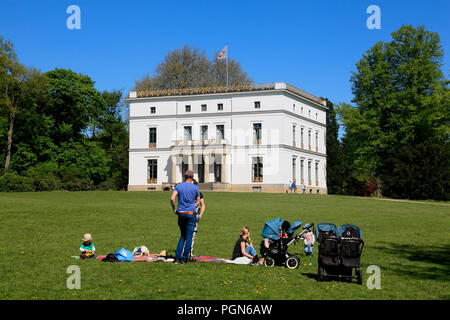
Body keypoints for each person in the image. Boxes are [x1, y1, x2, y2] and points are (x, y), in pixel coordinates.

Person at [170, 170, 201, 264]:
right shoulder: (195, 187)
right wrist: (193, 206)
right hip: (191, 213)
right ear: (192, 177)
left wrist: (174, 209)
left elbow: (172, 198)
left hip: (181, 213)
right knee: (189, 237)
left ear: (184, 176)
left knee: (182, 236)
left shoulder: (179, 186)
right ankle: (184, 259)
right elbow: (198, 201)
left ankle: (177, 258)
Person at [189, 179, 206, 259]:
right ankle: (185, 250)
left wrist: (201, 214)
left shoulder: (199, 194)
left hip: (195, 216)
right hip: (187, 215)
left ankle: (190, 251)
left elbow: (203, 205)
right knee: (186, 233)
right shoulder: (188, 193)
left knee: (193, 234)